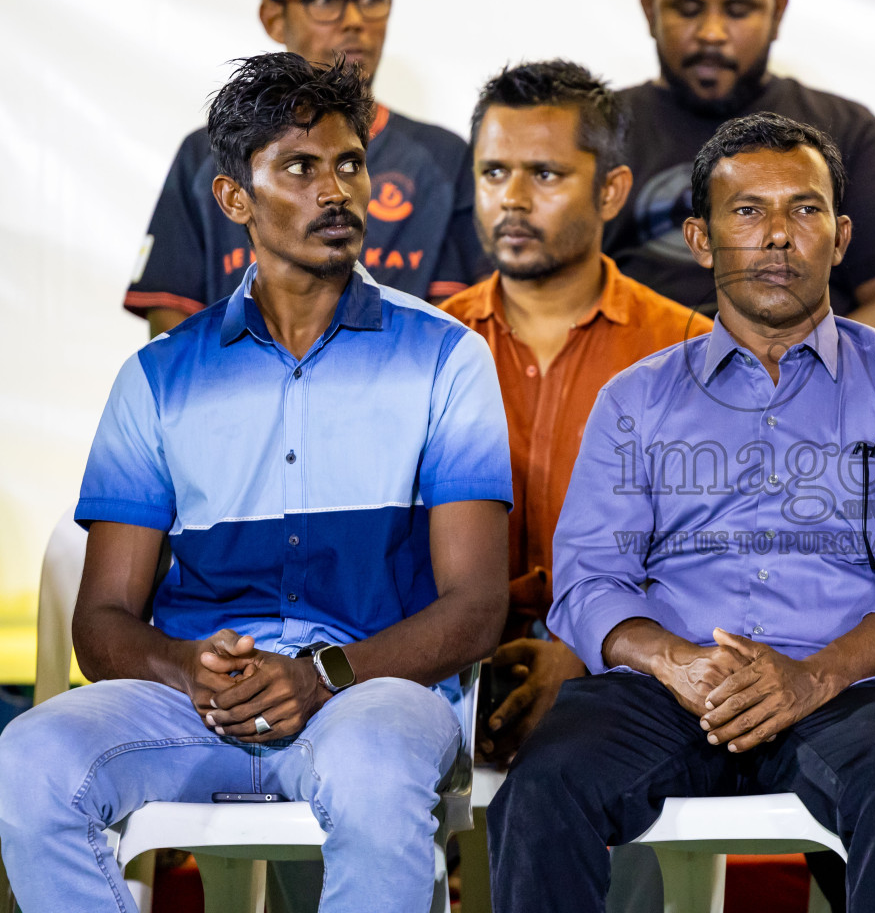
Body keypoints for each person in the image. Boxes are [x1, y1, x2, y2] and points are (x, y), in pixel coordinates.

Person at [0, 53, 512, 913]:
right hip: (202, 705)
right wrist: (186, 666)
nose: (337, 190)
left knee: (378, 767)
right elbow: (103, 622)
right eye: (301, 168)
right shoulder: (160, 377)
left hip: (373, 694)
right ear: (237, 199)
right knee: (30, 757)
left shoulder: (446, 357)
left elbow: (475, 609)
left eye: (349, 163)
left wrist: (322, 674)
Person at [487, 113, 875, 913]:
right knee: (545, 790)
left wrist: (813, 675)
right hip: (665, 690)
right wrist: (678, 664)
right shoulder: (637, 398)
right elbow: (589, 584)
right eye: (749, 212)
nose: (780, 236)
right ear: (701, 238)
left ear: (842, 235)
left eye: (805, 209)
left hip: (849, 686)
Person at [441, 60, 706, 766]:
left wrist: (586, 653)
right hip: (447, 673)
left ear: (613, 189)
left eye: (546, 175)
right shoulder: (428, 349)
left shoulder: (688, 350)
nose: (514, 200)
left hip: (631, 681)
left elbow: (709, 557)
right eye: (494, 173)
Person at [125, 0, 486, 337]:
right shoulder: (204, 156)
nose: (354, 19)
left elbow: (460, 319)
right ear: (274, 18)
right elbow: (172, 321)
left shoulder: (443, 158)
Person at [607, 0, 875, 335]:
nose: (712, 33)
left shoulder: (846, 130)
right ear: (649, 8)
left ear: (777, 13)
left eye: (738, 10)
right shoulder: (596, 133)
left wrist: (801, 378)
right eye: (688, 8)